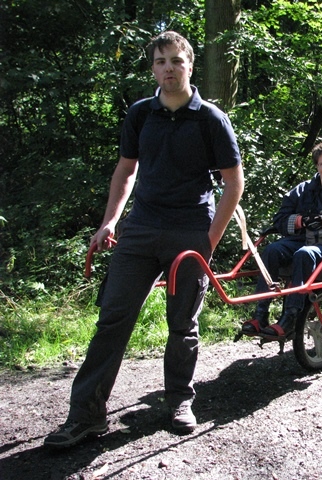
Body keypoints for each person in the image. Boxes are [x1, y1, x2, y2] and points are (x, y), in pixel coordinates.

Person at [44, 31, 244, 447]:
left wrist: (210, 239)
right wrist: (110, 221)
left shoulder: (211, 119)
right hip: (140, 227)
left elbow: (233, 183)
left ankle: (177, 401)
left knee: (182, 323)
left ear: (189, 64)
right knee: (112, 320)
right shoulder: (139, 114)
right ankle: (86, 416)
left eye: (176, 60)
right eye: (160, 61)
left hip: (190, 228)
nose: (168, 68)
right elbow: (126, 171)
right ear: (153, 67)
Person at [241, 141, 322, 339]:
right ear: (316, 165)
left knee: (305, 254)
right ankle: (261, 313)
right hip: (303, 240)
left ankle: (291, 316)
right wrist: (300, 221)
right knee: (272, 250)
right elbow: (280, 218)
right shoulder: (303, 189)